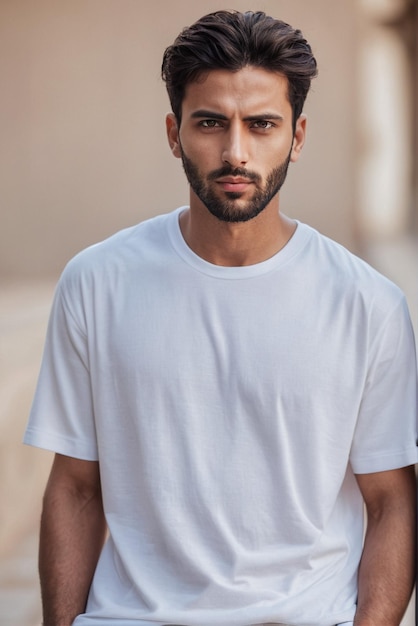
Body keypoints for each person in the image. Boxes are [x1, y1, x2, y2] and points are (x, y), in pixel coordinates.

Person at [24, 9, 417, 626]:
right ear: (174, 133)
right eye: (210, 123)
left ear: (299, 134)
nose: (236, 152)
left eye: (262, 125)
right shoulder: (97, 282)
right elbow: (75, 487)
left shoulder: (369, 305)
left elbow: (392, 501)